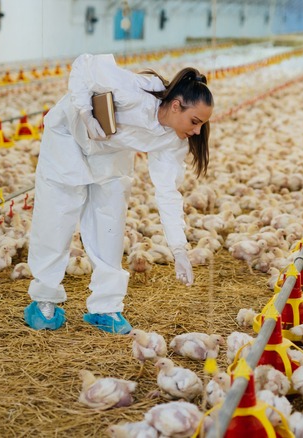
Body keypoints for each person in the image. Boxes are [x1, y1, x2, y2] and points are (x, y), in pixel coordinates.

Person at [23, 53, 213, 334]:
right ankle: (44, 299)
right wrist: (86, 113)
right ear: (176, 106)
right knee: (57, 215)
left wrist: (179, 248)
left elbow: (167, 191)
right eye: (195, 121)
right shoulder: (136, 91)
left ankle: (106, 307)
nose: (197, 131)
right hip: (69, 136)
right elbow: (85, 65)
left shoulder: (173, 140)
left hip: (109, 150)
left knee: (111, 223)